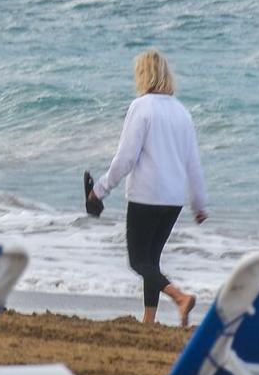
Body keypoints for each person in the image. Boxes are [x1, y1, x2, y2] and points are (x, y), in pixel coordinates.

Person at [89, 49, 209, 327]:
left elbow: (126, 158)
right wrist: (200, 204)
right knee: (151, 261)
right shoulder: (182, 111)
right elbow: (193, 163)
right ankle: (148, 320)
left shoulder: (141, 107)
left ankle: (179, 297)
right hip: (174, 199)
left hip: (147, 195)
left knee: (138, 260)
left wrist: (101, 189)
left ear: (143, 75)